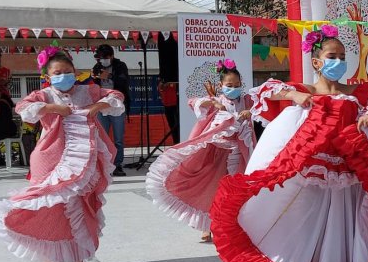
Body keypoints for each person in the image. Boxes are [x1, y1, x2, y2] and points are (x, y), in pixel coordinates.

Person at [209, 25, 368, 262]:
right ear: (316, 62)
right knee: (300, 221)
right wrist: (294, 96)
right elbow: (266, 91)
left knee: (346, 224)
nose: (339, 61)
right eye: (332, 55)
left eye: (343, 56)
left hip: (350, 168)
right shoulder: (306, 91)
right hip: (310, 169)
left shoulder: (354, 92)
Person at [0, 47, 125, 262]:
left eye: (67, 71)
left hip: (82, 160)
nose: (63, 76)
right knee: (48, 206)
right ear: (47, 77)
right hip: (49, 156)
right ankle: (47, 260)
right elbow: (22, 108)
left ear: (75, 71)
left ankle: (78, 258)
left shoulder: (87, 91)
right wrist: (52, 108)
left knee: (79, 205)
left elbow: (116, 96)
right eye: (58, 72)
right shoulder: (45, 95)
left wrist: (96, 107)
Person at [146, 60, 255, 243]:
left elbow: (261, 106)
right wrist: (213, 103)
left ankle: (231, 227)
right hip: (215, 153)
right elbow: (194, 102)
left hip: (238, 154)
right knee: (211, 189)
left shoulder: (246, 101)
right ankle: (207, 226)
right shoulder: (216, 100)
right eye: (229, 85)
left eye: (237, 85)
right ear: (221, 86)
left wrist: (250, 112)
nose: (234, 88)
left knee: (235, 191)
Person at [94, 44, 131, 176]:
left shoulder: (120, 66)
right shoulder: (97, 67)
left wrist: (109, 76)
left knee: (118, 138)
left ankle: (117, 164)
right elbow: (93, 85)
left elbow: (124, 81)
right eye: (99, 58)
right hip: (101, 105)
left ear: (111, 56)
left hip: (117, 106)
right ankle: (104, 164)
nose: (102, 60)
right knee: (102, 137)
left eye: (104, 57)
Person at [158, 78, 181, 144]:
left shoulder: (176, 81)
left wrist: (170, 83)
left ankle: (179, 142)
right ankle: (176, 143)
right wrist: (165, 83)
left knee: (177, 126)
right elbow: (161, 88)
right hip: (167, 106)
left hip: (176, 105)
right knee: (172, 126)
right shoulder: (161, 82)